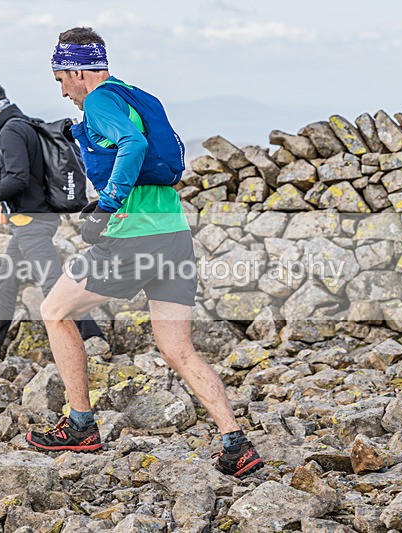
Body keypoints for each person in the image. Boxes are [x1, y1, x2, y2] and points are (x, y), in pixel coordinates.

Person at [25, 27, 264, 478]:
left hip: (133, 237)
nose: (62, 91)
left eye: (60, 79)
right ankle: (236, 442)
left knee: (54, 310)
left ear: (78, 70)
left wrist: (108, 206)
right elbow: (151, 157)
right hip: (174, 233)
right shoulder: (138, 95)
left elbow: (132, 146)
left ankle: (80, 425)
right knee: (177, 348)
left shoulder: (98, 100)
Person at [0, 82, 105, 363]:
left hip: (31, 221)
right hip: (35, 217)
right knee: (6, 280)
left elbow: (18, 178)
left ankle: (93, 340)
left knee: (52, 283)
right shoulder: (26, 126)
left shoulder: (12, 131)